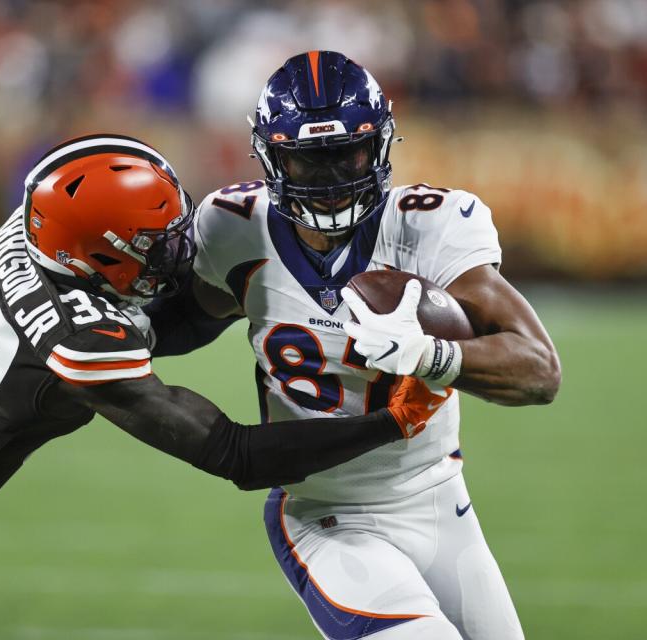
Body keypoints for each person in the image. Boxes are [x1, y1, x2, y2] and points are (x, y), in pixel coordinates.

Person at [0, 134, 449, 639]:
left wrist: (234, 294)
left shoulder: (37, 226)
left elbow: (142, 311)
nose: (178, 248)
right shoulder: (78, 341)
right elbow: (235, 454)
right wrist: (390, 421)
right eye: (157, 243)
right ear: (96, 252)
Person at [144, 52, 561, 639]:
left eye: (346, 154)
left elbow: (539, 370)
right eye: (307, 161)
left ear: (379, 147)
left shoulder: (430, 225)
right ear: (272, 156)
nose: (331, 178)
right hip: (325, 513)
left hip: (438, 496)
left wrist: (429, 356)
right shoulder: (232, 227)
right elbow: (188, 319)